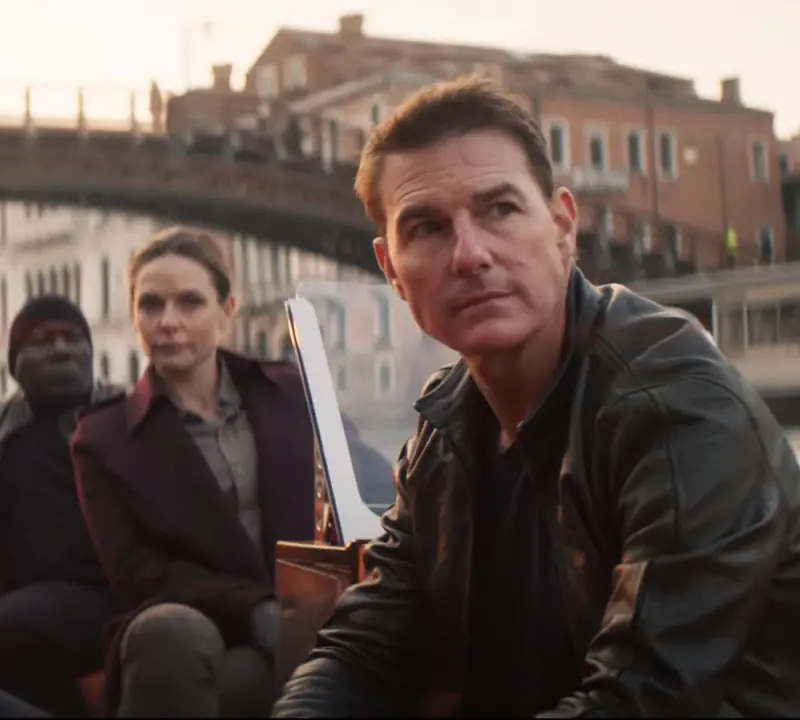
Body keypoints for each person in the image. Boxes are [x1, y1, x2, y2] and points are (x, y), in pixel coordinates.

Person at [273, 76, 800, 717]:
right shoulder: (447, 423)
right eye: (428, 227)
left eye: (500, 209)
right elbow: (365, 644)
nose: (470, 254)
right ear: (391, 271)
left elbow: (642, 697)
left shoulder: (676, 405)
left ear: (562, 226)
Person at [72, 227, 316, 717]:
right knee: (170, 632)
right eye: (151, 305)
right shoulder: (103, 439)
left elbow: (359, 491)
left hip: (303, 618)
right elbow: (140, 575)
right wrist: (257, 610)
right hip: (192, 625)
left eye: (190, 303)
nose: (169, 322)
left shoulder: (293, 394)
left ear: (227, 311)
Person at [0, 295, 124, 717]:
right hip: (7, 595)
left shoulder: (125, 416)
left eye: (72, 338)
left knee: (5, 630)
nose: (61, 349)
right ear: (15, 363)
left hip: (110, 594)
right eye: (43, 340)